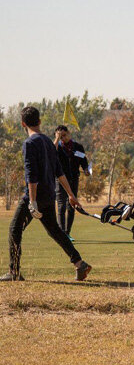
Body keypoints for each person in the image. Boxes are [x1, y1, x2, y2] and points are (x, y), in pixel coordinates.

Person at [0, 107, 92, 282]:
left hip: (35, 196)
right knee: (55, 231)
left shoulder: (29, 143)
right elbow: (60, 172)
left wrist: (32, 202)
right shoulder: (49, 143)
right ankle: (80, 264)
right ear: (40, 121)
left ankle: (14, 272)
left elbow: (31, 175)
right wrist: (71, 195)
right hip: (49, 196)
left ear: (23, 124)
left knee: (14, 229)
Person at [54, 125, 90, 241]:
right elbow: (51, 153)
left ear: (69, 133)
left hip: (74, 180)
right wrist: (56, 139)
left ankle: (67, 233)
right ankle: (61, 234)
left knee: (71, 206)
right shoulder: (57, 147)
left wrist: (86, 170)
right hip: (60, 181)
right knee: (61, 206)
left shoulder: (78, 147)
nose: (63, 138)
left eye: (64, 135)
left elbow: (84, 161)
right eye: (61, 136)